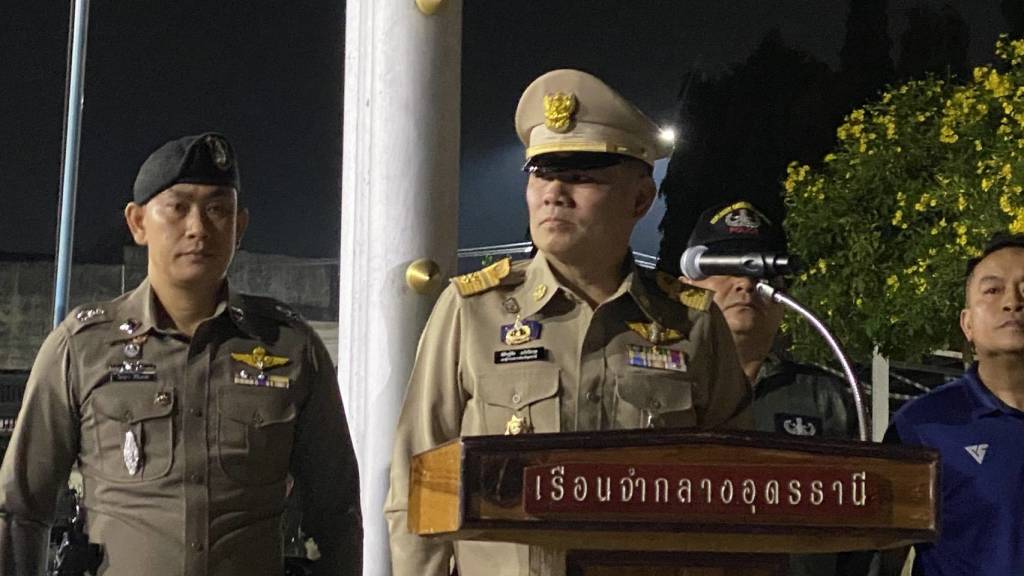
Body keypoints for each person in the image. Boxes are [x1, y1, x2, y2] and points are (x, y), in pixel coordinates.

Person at [385, 69, 752, 576]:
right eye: (541, 173)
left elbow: (737, 492)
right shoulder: (473, 310)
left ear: (640, 199)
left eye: (581, 176)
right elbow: (419, 484)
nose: (554, 192)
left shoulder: (691, 321)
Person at [0, 133, 362, 575]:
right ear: (137, 223)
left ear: (239, 226)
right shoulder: (82, 347)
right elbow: (21, 508)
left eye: (217, 210)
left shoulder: (289, 347)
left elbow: (337, 511)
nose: (198, 228)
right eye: (177, 207)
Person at [679, 201, 860, 576]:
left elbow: (860, 532)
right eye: (726, 266)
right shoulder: (655, 384)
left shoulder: (827, 398)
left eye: (762, 270)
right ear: (687, 287)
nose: (745, 283)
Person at [881, 232, 1024, 575]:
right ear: (967, 324)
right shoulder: (921, 428)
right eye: (993, 290)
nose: (1013, 302)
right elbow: (882, 560)